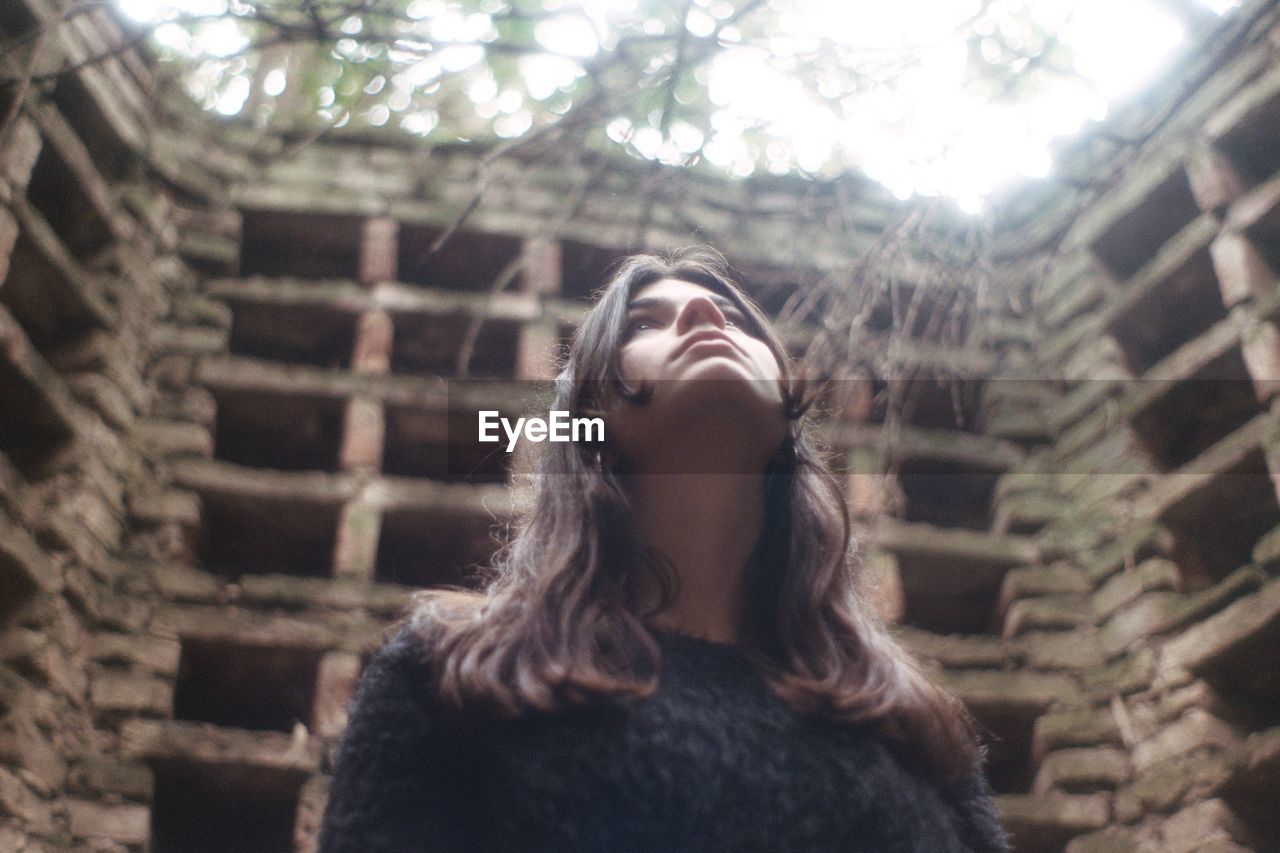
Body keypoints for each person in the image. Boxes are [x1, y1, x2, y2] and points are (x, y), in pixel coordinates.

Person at [317, 247, 1009, 852]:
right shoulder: (453, 676)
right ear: (586, 424)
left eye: (734, 317)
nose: (707, 319)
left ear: (791, 420)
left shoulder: (910, 728)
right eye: (644, 323)